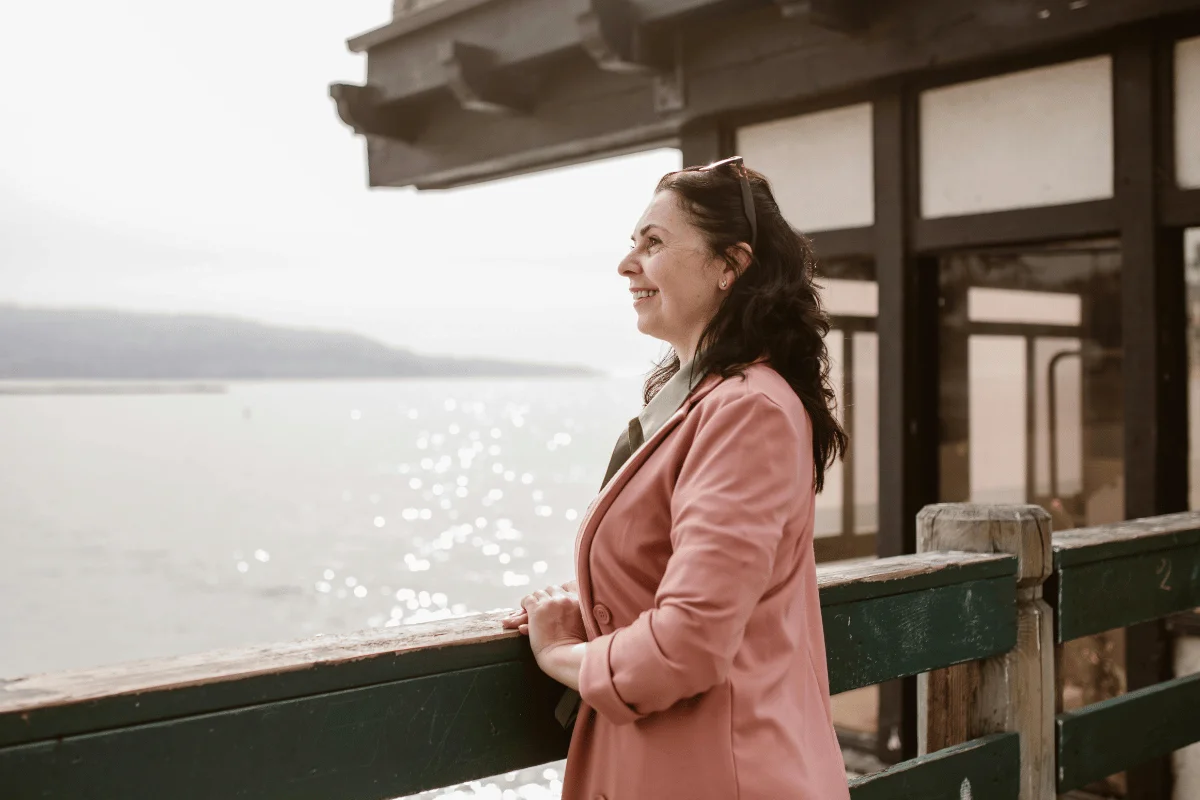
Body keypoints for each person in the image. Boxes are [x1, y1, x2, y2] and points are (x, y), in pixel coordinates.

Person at [501, 156, 851, 799]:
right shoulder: (719, 401)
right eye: (632, 242)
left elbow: (688, 643)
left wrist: (561, 656)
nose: (627, 262)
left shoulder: (747, 409)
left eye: (653, 243)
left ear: (730, 266)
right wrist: (601, 613)